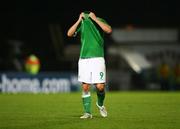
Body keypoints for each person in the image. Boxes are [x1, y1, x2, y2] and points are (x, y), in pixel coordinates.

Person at [67, 11, 112, 119]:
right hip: (84, 59)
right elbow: (69, 33)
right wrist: (78, 20)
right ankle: (87, 113)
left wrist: (95, 19)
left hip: (98, 58)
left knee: (100, 87)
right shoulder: (82, 22)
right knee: (85, 86)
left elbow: (108, 30)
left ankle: (100, 104)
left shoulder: (100, 20)